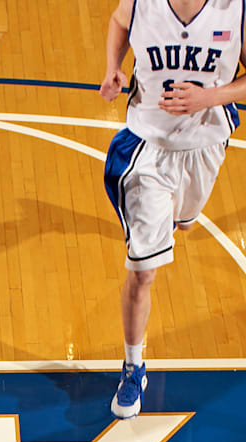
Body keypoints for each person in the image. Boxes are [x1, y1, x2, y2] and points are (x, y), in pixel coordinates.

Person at [99, 0, 246, 418]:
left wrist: (211, 96)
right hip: (147, 147)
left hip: (206, 144)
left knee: (184, 222)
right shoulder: (142, 1)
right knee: (143, 270)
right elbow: (117, 21)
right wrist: (113, 66)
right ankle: (133, 366)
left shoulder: (235, 9)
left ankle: (179, 215)